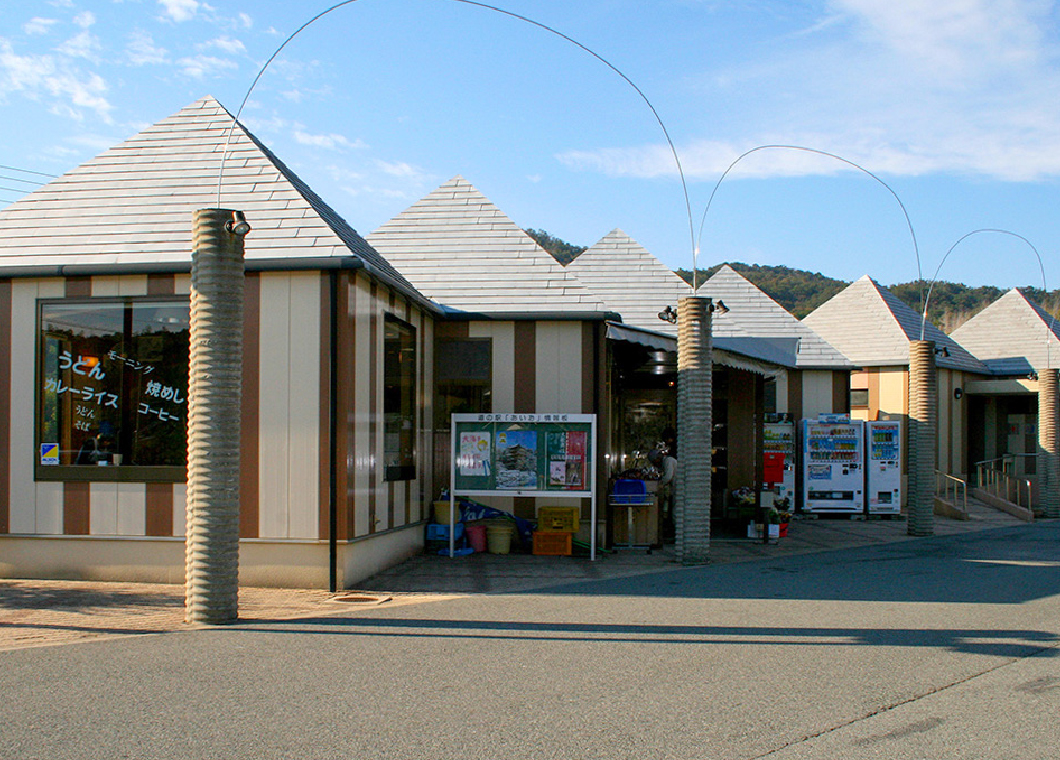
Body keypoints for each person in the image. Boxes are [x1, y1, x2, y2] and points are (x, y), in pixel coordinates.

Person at [648, 448, 677, 542]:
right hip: (676, 489)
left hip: (679, 489)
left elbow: (668, 476)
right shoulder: (667, 462)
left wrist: (660, 485)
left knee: (676, 513)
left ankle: (677, 536)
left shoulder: (668, 461)